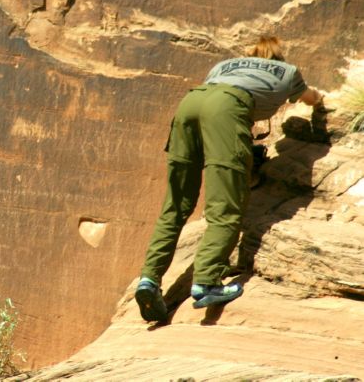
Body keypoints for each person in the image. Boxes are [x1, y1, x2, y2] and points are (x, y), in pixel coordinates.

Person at [135, 36, 324, 322]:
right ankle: (206, 283)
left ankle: (149, 279)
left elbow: (213, 98)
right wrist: (321, 99)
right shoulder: (287, 71)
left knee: (176, 205)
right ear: (278, 56)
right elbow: (310, 98)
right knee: (225, 209)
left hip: (190, 103)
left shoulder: (224, 65)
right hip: (226, 108)